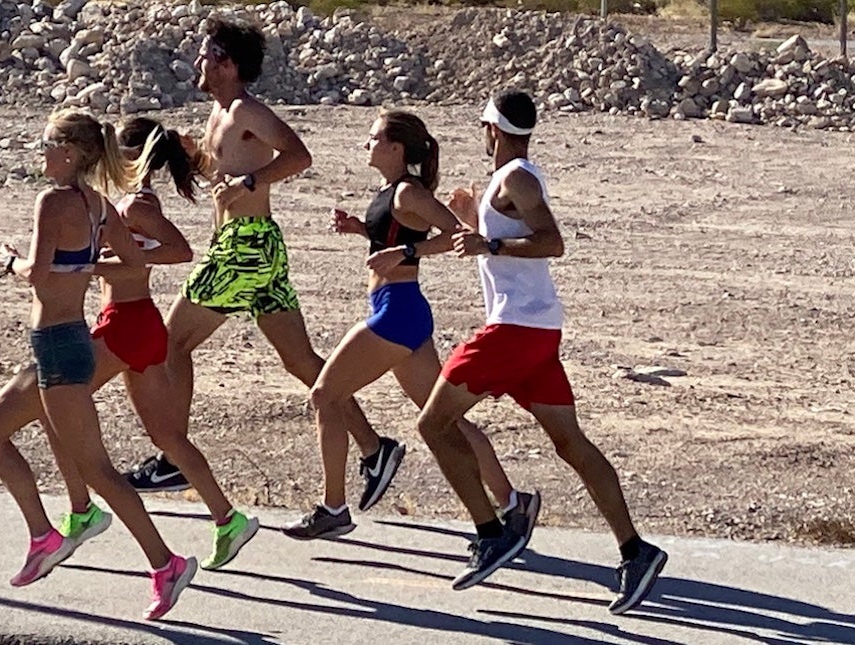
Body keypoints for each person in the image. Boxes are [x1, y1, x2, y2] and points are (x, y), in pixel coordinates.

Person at [126, 18, 405, 518]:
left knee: (171, 343)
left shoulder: (248, 111)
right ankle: (374, 447)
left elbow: (298, 155)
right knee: (300, 362)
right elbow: (221, 173)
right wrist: (185, 159)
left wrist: (252, 183)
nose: (198, 62)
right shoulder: (217, 116)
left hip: (246, 246)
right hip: (253, 248)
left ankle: (173, 456)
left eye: (206, 54)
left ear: (228, 64)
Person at [416, 90, 668, 614]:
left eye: (483, 126)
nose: (482, 135)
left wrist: (489, 244)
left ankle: (493, 531)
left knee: (433, 425)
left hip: (514, 331)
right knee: (569, 443)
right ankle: (635, 551)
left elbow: (552, 242)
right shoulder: (505, 182)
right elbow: (502, 250)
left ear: (494, 129)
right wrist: (472, 225)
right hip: (533, 332)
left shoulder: (518, 178)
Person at [283, 110, 541, 541]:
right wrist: (360, 229)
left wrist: (404, 252)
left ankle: (333, 508)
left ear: (396, 148)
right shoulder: (392, 191)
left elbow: (453, 234)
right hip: (398, 311)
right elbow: (393, 238)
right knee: (443, 418)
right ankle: (514, 502)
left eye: (373, 138)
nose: (366, 145)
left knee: (326, 395)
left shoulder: (408, 192)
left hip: (397, 313)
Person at [0, 108, 195, 621]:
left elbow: (36, 274)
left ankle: (161, 562)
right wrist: (81, 265)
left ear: (69, 153)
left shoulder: (52, 201)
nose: (40, 153)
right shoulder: (99, 204)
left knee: (97, 469)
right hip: (67, 342)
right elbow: (132, 263)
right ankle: (52, 533)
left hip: (59, 346)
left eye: (46, 144)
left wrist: (9, 260)